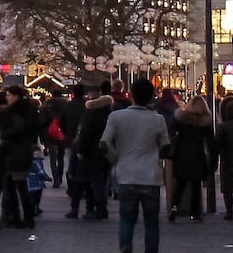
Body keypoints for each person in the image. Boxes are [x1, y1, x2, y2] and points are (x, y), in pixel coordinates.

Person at [101, 78, 170, 253]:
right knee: (151, 222)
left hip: (126, 174)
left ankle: (125, 247)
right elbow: (165, 146)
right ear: (151, 97)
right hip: (150, 175)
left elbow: (104, 143)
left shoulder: (116, 117)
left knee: (126, 219)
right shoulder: (158, 120)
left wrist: (115, 159)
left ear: (130, 95)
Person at [68, 80, 113, 220]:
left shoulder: (91, 112)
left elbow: (85, 133)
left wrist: (80, 150)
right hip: (105, 151)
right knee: (101, 181)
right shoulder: (109, 112)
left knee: (83, 181)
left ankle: (92, 209)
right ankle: (97, 208)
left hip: (90, 152)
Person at [168, 94, 217, 221]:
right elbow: (211, 142)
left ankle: (174, 207)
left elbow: (171, 132)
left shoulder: (181, 119)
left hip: (181, 153)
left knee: (180, 184)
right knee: (196, 185)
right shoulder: (205, 122)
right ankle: (194, 213)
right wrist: (213, 161)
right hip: (198, 154)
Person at [0, 84, 38, 228]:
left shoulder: (17, 110)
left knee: (20, 186)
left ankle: (26, 218)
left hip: (17, 152)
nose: (7, 98)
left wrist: (3, 133)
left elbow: (18, 128)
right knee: (13, 185)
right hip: (18, 151)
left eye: (9, 95)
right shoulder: (27, 108)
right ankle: (17, 217)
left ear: (16, 96)